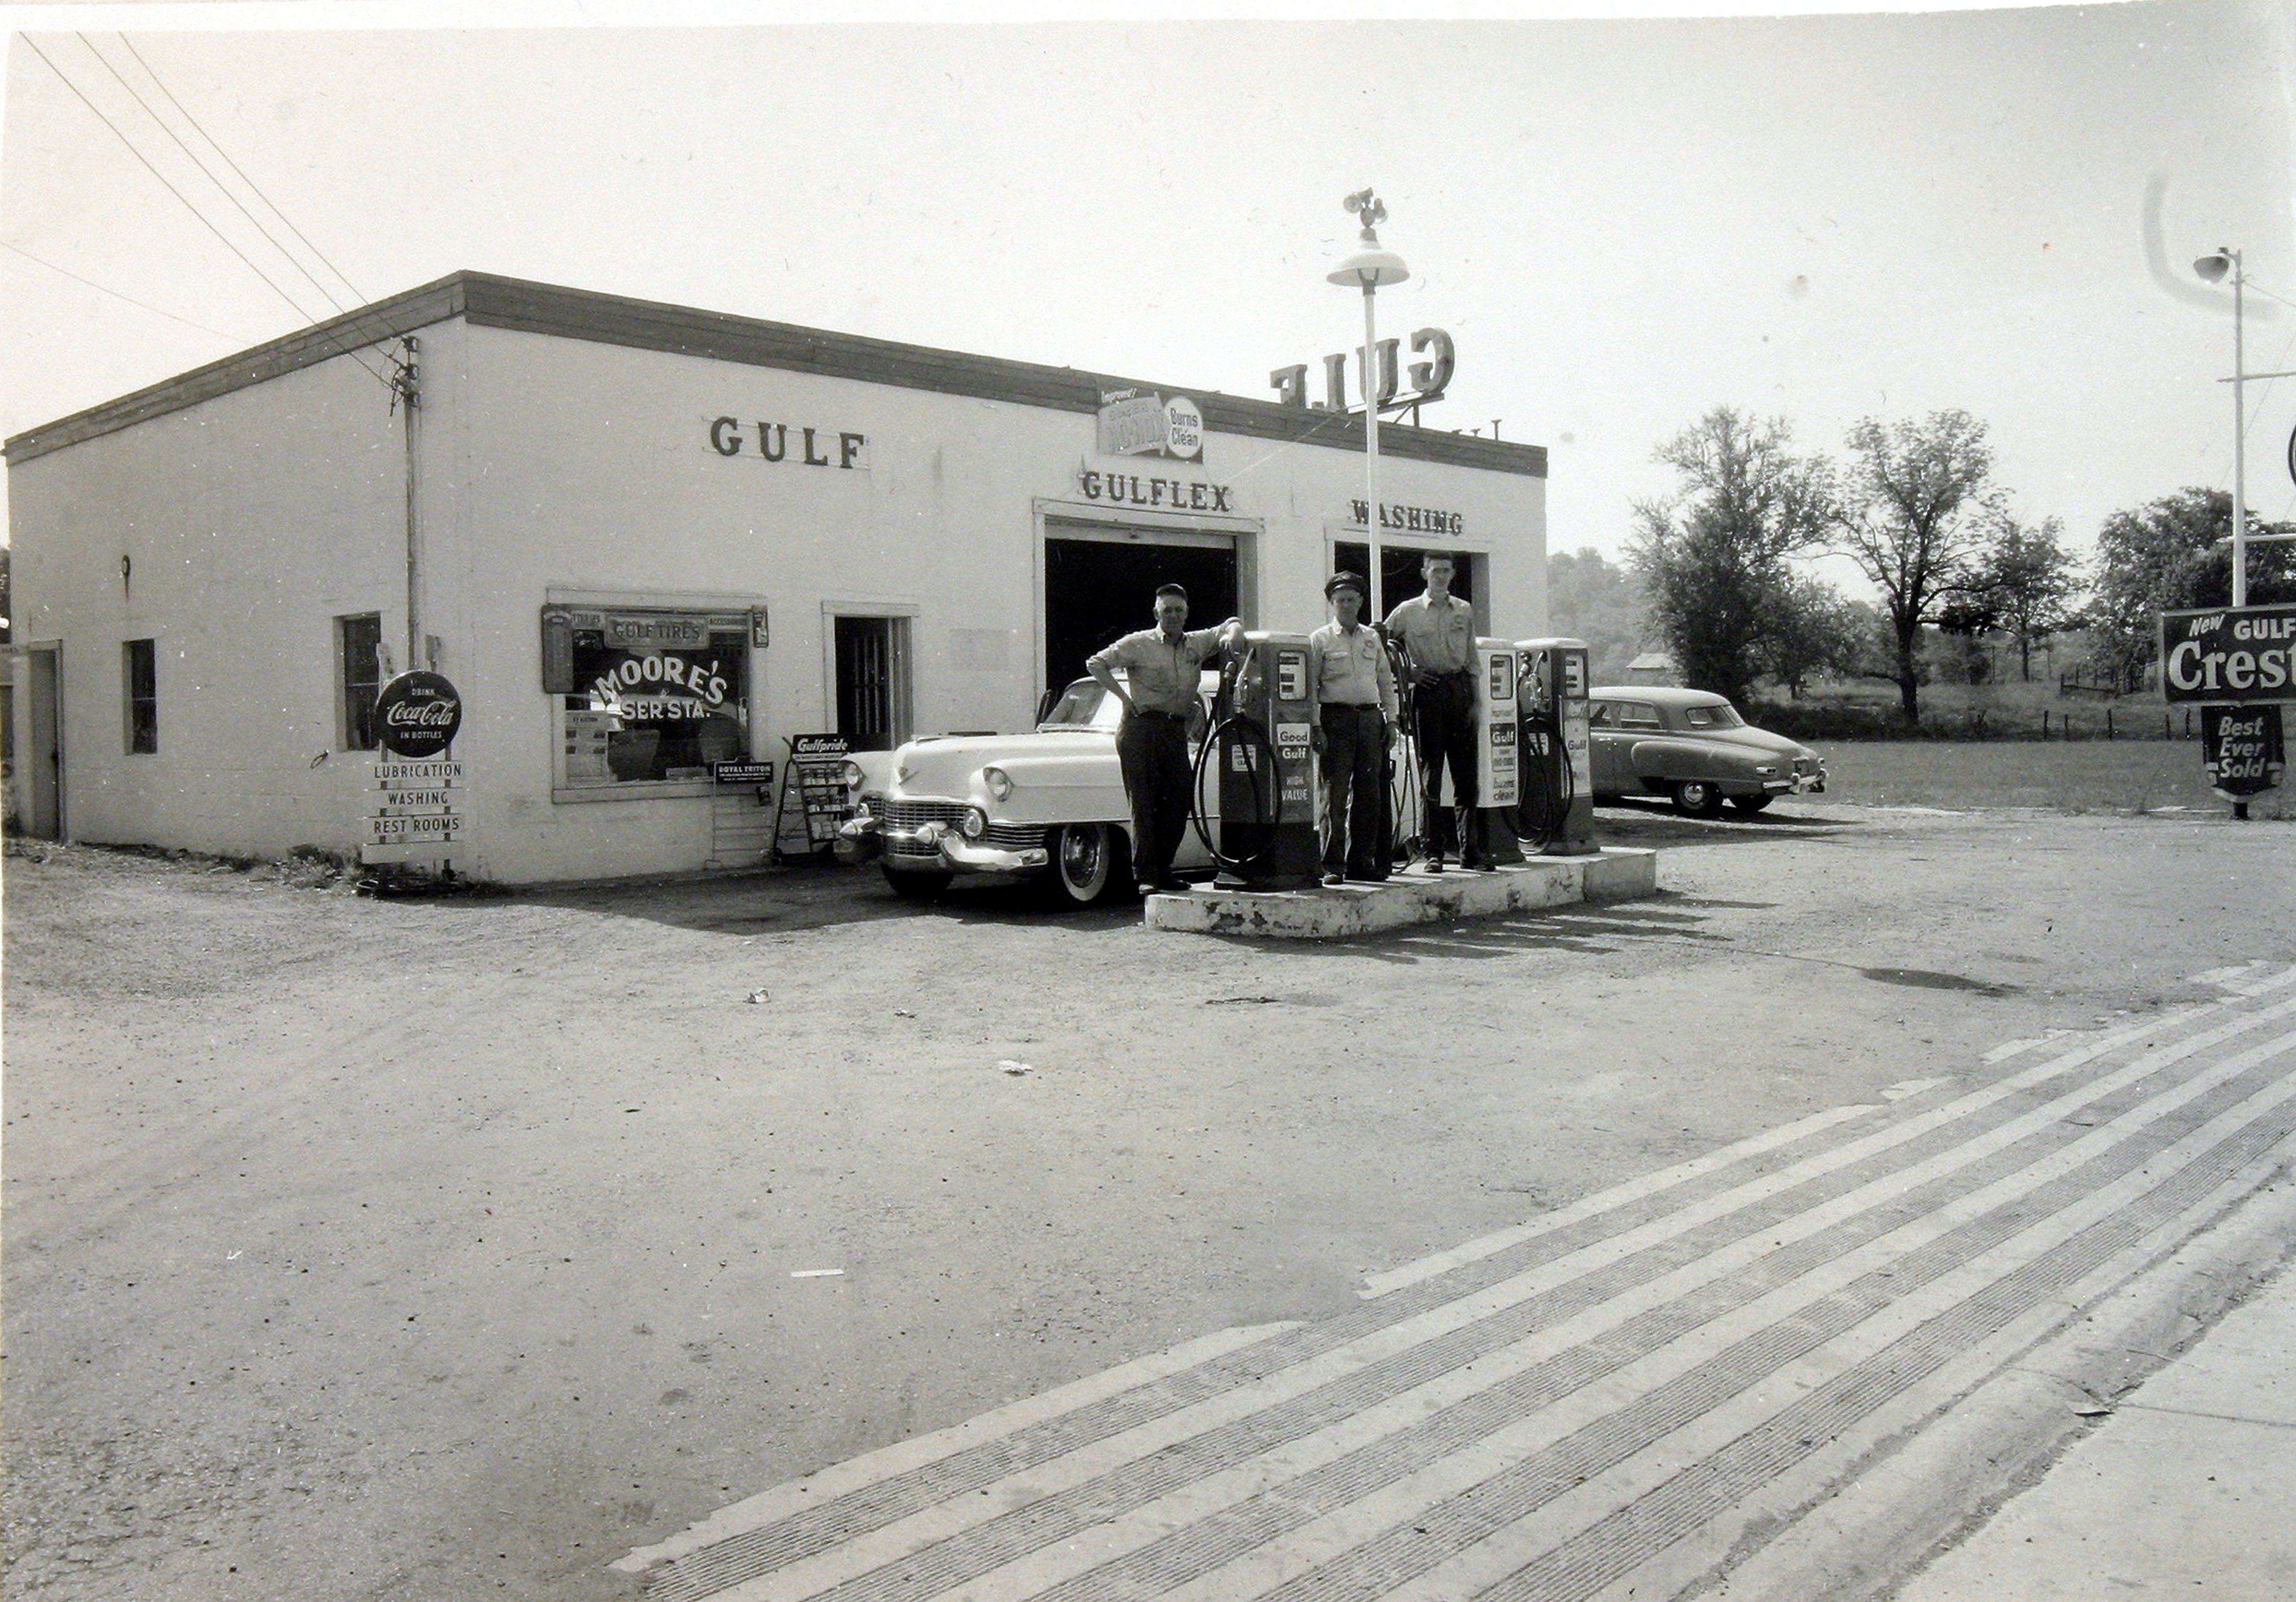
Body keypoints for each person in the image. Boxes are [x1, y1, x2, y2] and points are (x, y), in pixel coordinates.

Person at [1085, 585, 1244, 893]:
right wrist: (1124, 698)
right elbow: (1096, 663)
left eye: (1179, 610)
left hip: (1174, 730)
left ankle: (1163, 869)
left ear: (1186, 614)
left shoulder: (1196, 643)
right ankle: (1147, 875)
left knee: (1179, 799)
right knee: (1144, 803)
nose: (1173, 615)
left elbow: (1229, 624)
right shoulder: (1138, 643)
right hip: (1140, 728)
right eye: (1167, 610)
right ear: (1156, 612)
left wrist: (1234, 633)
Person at [1385, 552, 1488, 870]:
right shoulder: (1408, 611)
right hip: (1428, 693)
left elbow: (1471, 658)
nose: (1441, 576)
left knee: (1467, 777)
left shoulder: (1464, 610)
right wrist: (1408, 672)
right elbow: (1380, 646)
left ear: (1453, 574)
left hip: (1460, 691)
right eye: (1435, 571)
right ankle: (1434, 853)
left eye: (1446, 570)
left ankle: (1471, 853)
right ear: (1424, 573)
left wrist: (1477, 701)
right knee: (1432, 776)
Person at [1307, 572, 1397, 884]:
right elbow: (1310, 687)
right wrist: (1316, 727)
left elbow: (1385, 680)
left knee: (1369, 795)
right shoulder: (1320, 639)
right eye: (1340, 600)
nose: (1346, 605)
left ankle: (1362, 861)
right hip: (1336, 720)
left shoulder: (1371, 638)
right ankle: (1332, 865)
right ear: (1332, 604)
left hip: (1371, 720)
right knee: (1335, 794)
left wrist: (1393, 720)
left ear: (1360, 602)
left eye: (1352, 599)